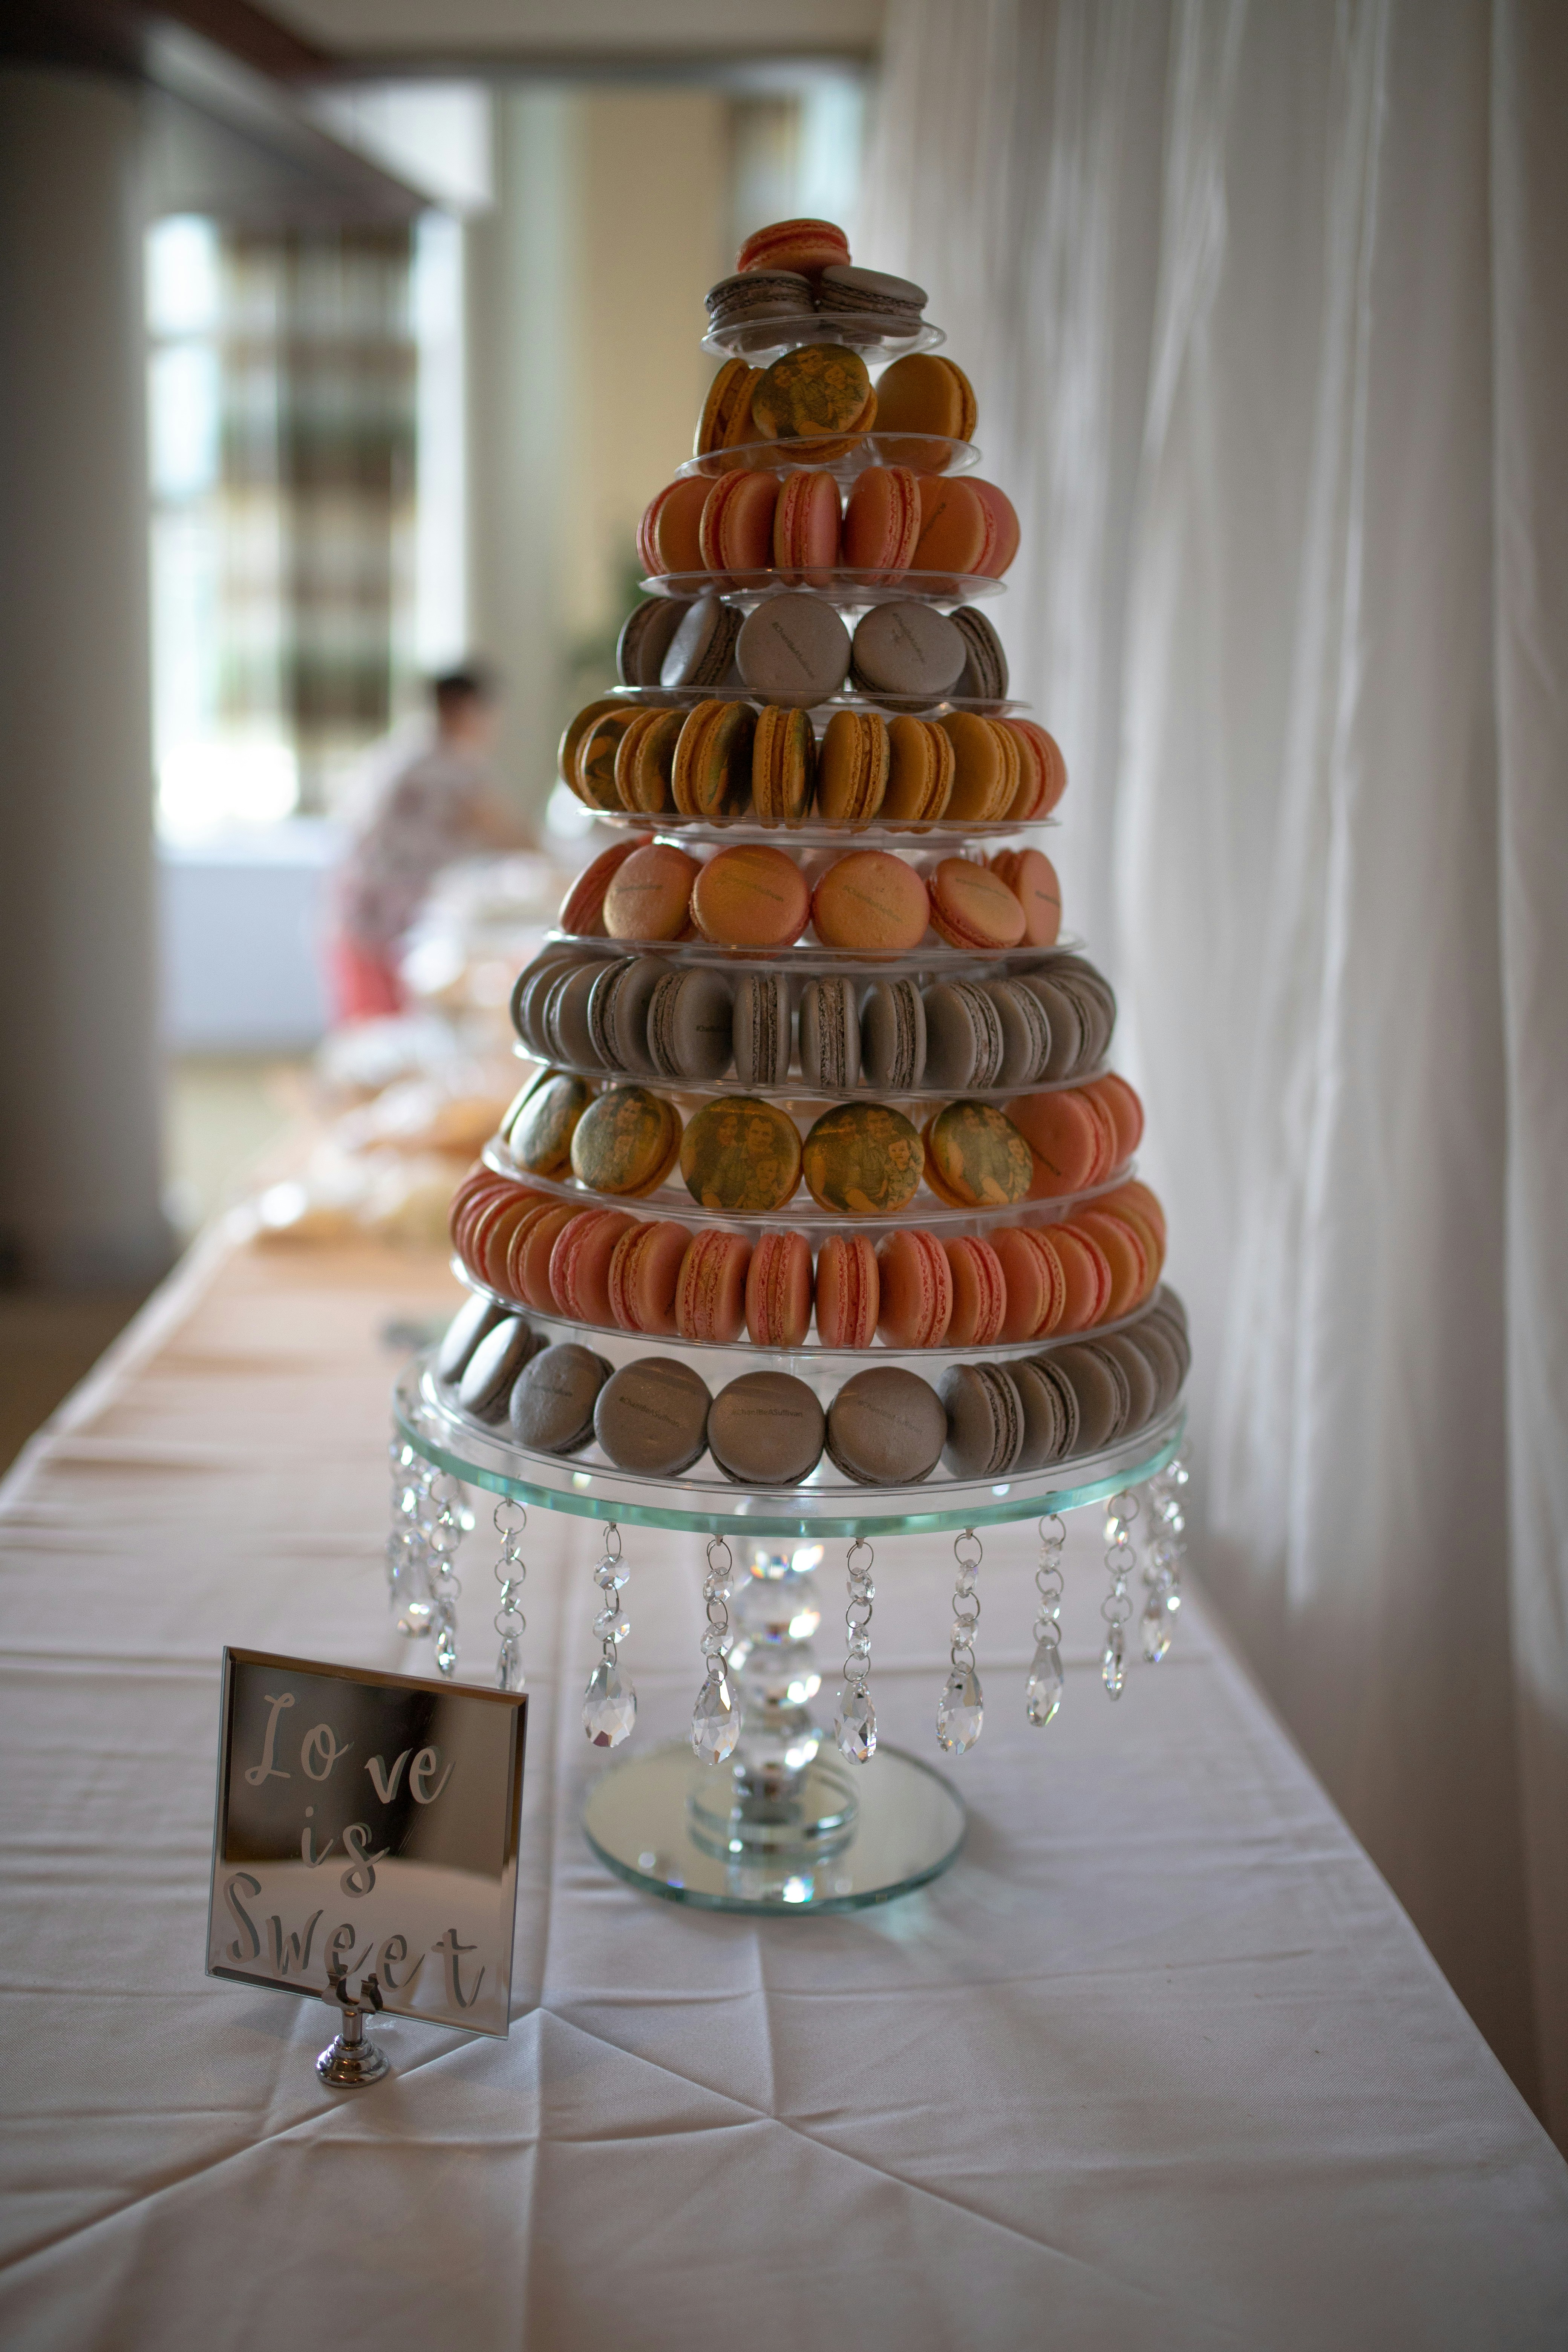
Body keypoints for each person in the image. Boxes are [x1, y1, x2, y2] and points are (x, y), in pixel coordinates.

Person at [328, 666, 533, 1022]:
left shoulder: (398, 752)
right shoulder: (455, 768)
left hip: (353, 913)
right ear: (466, 708)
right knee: (390, 1035)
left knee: (370, 1035)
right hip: (389, 923)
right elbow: (511, 836)